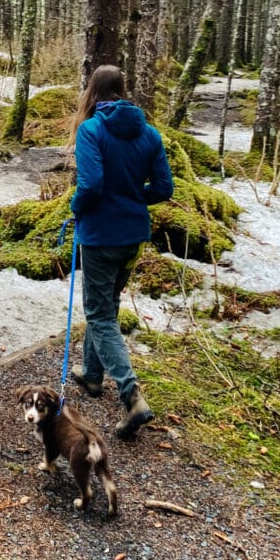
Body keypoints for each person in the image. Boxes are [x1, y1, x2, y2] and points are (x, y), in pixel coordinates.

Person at [68, 64, 174, 437]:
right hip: (133, 235)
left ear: (92, 91)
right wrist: (132, 199)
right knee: (107, 307)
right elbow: (163, 188)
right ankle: (92, 375)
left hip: (100, 235)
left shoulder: (91, 129)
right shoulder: (149, 133)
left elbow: (92, 183)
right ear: (123, 90)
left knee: (98, 313)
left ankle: (132, 396)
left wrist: (77, 206)